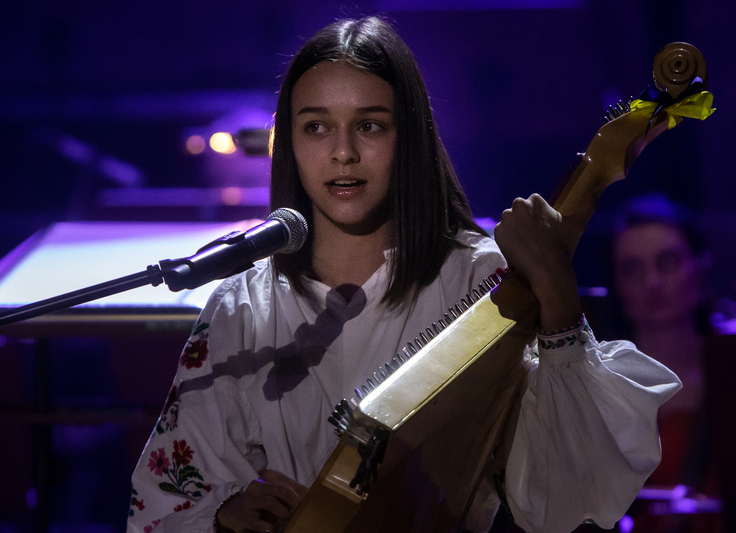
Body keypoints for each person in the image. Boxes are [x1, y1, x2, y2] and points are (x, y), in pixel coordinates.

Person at [127, 17, 680, 533]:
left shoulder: (479, 280)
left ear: (408, 135)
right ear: (288, 143)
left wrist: (556, 292)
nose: (343, 153)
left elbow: (566, 495)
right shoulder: (243, 306)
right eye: (316, 126)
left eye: (369, 125)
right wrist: (225, 512)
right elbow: (162, 503)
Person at [609, 194, 723, 532]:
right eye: (633, 269)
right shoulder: (597, 385)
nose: (653, 283)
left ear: (700, 269)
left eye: (668, 262)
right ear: (617, 286)